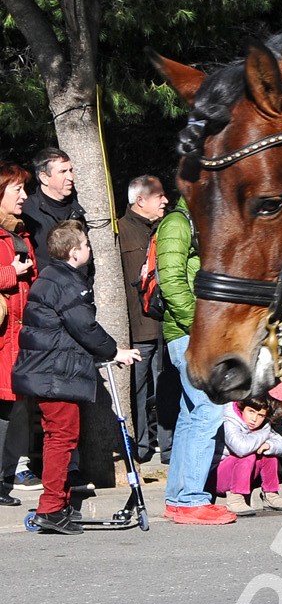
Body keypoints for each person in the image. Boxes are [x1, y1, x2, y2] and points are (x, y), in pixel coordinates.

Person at [10, 221, 139, 533]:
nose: (90, 249)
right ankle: (51, 507)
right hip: (55, 373)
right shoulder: (66, 282)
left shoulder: (57, 277)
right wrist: (114, 351)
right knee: (61, 438)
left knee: (60, 437)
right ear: (73, 252)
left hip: (52, 371)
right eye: (85, 244)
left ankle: (59, 502)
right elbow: (84, 326)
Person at [158, 196, 235, 524]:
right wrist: (201, 327)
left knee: (191, 416)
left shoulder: (201, 223)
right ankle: (191, 500)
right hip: (190, 334)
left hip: (197, 333)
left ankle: (179, 499)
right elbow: (172, 283)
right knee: (208, 411)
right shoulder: (177, 223)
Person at [118, 175, 170, 462]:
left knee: (166, 390)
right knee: (136, 393)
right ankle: (139, 450)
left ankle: (169, 449)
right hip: (137, 329)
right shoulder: (119, 231)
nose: (165, 200)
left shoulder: (167, 229)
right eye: (158, 195)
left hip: (167, 327)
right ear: (140, 201)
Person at [0, 164, 37, 506]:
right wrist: (13, 271)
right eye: (17, 190)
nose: (24, 196)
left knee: (15, 407)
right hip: (3, 337)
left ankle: (9, 473)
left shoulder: (21, 234)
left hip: (19, 336)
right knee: (5, 407)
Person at [215, 396, 282, 516]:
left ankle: (271, 495)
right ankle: (235, 499)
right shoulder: (229, 421)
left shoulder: (263, 425)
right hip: (218, 476)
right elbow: (241, 448)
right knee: (248, 455)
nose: (254, 419)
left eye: (261, 415)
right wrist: (264, 432)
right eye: (251, 412)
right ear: (242, 409)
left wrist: (268, 445)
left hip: (244, 475)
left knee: (268, 452)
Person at [22, 148, 88, 270]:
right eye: (63, 172)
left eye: (70, 170)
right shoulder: (26, 211)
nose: (71, 177)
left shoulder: (76, 209)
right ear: (44, 178)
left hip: (79, 286)